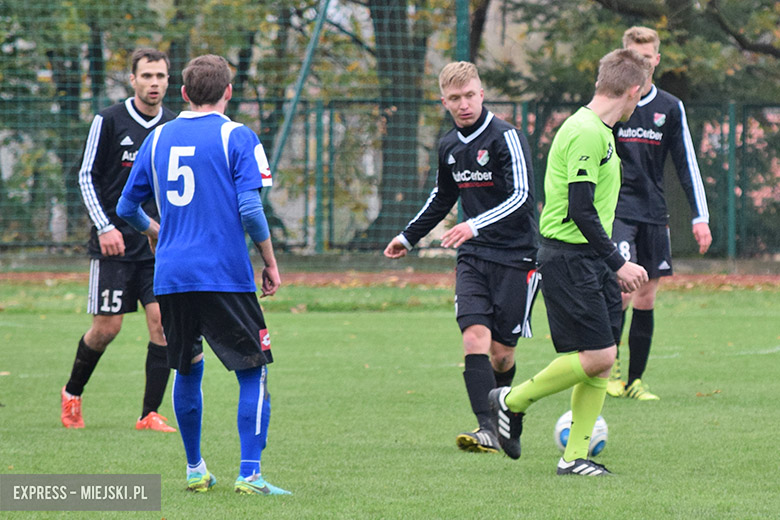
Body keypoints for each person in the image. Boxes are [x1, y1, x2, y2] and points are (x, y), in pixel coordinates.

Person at [117, 54, 290, 496]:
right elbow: (250, 208)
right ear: (228, 92)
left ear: (183, 93)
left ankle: (195, 469)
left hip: (172, 275)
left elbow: (125, 207)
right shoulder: (238, 135)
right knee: (253, 371)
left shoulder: (157, 138)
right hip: (223, 273)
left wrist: (156, 231)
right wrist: (269, 260)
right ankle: (250, 474)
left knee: (187, 368)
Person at [488, 48, 651, 476]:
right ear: (633, 90)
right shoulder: (586, 132)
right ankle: (511, 400)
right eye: (642, 94)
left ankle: (574, 458)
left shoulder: (600, 130)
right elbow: (580, 209)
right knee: (598, 356)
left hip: (590, 257)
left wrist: (607, 262)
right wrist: (618, 262)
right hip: (569, 257)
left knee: (602, 357)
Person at [383, 61, 539, 459]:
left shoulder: (507, 137)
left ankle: (508, 417)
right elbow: (442, 197)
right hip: (473, 256)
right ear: (444, 102)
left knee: (502, 354)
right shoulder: (449, 145)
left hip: (516, 255)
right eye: (455, 98)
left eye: (470, 95)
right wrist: (408, 236)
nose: (464, 104)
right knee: (473, 338)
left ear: (481, 94)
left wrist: (474, 224)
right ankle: (486, 428)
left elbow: (522, 197)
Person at [61, 48, 176, 432]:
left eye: (160, 76)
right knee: (107, 329)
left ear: (168, 80)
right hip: (114, 244)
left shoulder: (173, 127)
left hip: (157, 247)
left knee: (162, 325)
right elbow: (85, 176)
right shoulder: (108, 120)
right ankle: (72, 393)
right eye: (147, 76)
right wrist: (104, 226)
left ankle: (149, 414)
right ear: (132, 79)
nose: (154, 83)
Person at [607, 27, 712, 401]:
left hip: (653, 211)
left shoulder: (669, 107)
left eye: (647, 56)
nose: (641, 62)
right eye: (634, 56)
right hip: (618, 210)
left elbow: (687, 164)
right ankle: (608, 371)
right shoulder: (611, 103)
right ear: (624, 58)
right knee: (621, 288)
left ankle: (635, 381)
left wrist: (700, 217)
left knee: (647, 296)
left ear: (657, 60)